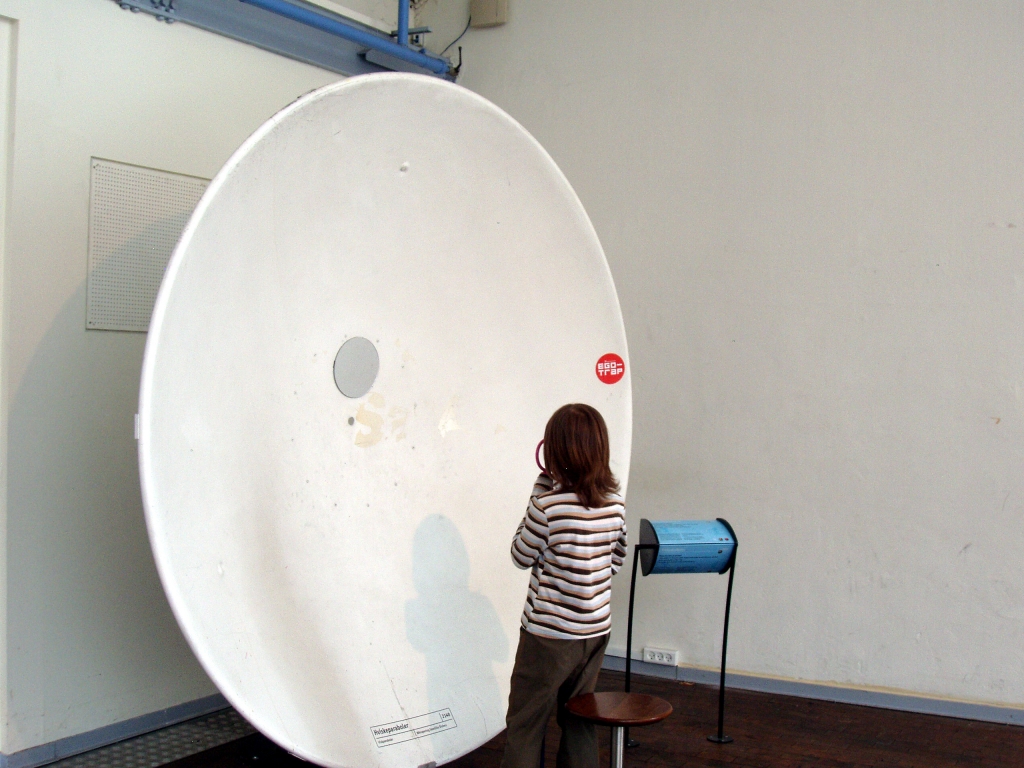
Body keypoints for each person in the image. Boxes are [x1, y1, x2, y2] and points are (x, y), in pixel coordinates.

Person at [501, 404, 627, 768]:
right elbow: (615, 561)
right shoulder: (615, 506)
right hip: (595, 632)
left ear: (555, 451)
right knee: (579, 720)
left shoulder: (547, 506)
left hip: (548, 636)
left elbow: (520, 554)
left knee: (526, 723)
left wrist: (537, 494)